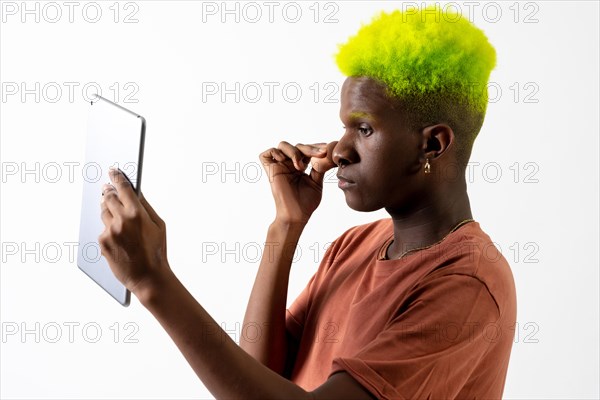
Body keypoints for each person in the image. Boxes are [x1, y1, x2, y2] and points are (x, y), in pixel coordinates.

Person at [98, 5, 517, 399]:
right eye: (345, 128)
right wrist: (286, 224)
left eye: (365, 129)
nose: (339, 151)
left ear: (432, 144)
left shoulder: (467, 286)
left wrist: (155, 283)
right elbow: (259, 369)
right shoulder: (355, 245)